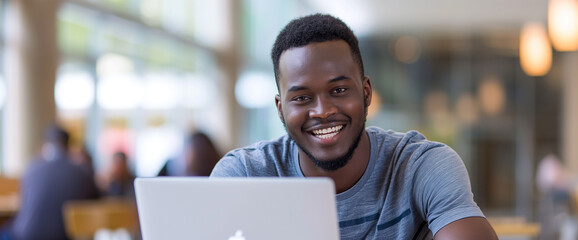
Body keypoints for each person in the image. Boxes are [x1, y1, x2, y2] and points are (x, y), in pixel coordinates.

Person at [210, 14, 498, 239]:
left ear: (366, 92)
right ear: (280, 109)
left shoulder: (421, 165)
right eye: (301, 98)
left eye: (338, 91)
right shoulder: (244, 175)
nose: (322, 112)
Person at [2, 124, 99, 240]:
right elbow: (95, 203)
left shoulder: (31, 168)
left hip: (27, 235)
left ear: (45, 144)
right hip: (65, 236)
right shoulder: (82, 171)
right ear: (68, 146)